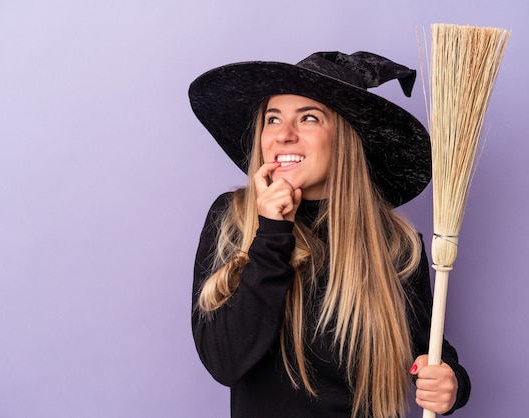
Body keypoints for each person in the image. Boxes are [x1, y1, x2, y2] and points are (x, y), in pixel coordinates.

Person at [189, 51, 471, 418]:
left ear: (344, 137)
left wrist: (452, 384)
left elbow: (429, 350)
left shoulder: (396, 245)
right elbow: (224, 361)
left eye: (308, 118)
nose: (284, 135)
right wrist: (272, 233)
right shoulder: (233, 221)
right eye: (272, 119)